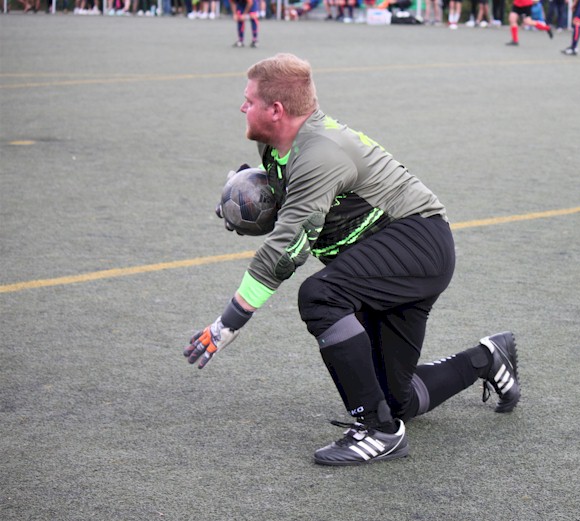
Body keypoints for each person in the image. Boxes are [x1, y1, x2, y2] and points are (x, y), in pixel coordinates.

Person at [183, 53, 521, 467]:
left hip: (418, 244)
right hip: (390, 255)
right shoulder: (275, 144)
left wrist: (228, 323)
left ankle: (378, 433)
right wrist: (245, 193)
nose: (242, 106)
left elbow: (287, 249)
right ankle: (487, 358)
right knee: (396, 399)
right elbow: (290, 193)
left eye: (248, 99)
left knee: (320, 295)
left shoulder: (320, 153)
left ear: (276, 110)